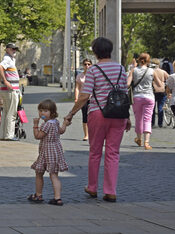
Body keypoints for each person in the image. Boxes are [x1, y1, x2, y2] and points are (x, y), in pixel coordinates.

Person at [64, 37, 132, 203]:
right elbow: (123, 95)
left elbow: (85, 96)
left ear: (95, 52)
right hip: (118, 115)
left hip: (97, 114)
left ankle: (92, 187)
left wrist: (71, 113)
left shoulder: (94, 70)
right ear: (111, 50)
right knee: (113, 153)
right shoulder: (121, 69)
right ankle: (110, 191)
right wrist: (127, 116)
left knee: (95, 152)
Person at [28, 99, 68, 206]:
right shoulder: (56, 122)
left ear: (52, 112)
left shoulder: (46, 125)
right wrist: (65, 123)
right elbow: (62, 131)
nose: (42, 113)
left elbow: (38, 136)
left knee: (39, 172)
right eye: (40, 111)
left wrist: (35, 125)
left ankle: (38, 195)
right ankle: (57, 198)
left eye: (45, 111)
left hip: (47, 151)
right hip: (56, 149)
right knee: (54, 174)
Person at [127, 53, 155, 150]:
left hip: (137, 97)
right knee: (147, 119)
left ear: (139, 60)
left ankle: (139, 139)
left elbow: (127, 84)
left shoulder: (133, 70)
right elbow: (158, 83)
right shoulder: (152, 71)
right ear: (148, 61)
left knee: (138, 119)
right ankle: (146, 142)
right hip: (149, 97)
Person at [0, 43, 20, 141]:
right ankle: (9, 135)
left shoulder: (10, 59)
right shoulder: (7, 59)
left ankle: (3, 134)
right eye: (12, 49)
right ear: (7, 49)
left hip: (6, 90)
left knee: (6, 112)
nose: (14, 50)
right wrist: (6, 81)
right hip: (10, 90)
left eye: (15, 49)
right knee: (12, 113)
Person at [74, 59, 92, 141]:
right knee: (85, 116)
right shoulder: (80, 76)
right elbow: (77, 88)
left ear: (91, 65)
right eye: (85, 64)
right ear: (83, 65)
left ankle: (94, 134)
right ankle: (86, 135)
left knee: (93, 117)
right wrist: (76, 98)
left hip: (93, 99)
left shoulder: (93, 75)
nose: (87, 66)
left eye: (89, 64)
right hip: (83, 99)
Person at [151, 58, 169, 128]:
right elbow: (169, 78)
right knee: (160, 107)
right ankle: (160, 123)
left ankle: (152, 123)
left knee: (152, 108)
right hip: (162, 90)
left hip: (153, 90)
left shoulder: (151, 71)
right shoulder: (163, 72)